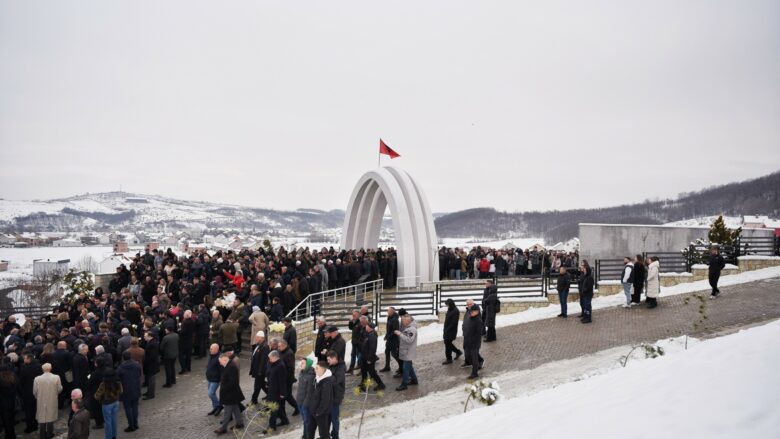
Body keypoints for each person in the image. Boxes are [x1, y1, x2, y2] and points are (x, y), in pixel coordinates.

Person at [214, 353, 245, 435]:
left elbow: (232, 382)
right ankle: (240, 423)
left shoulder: (231, 367)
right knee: (235, 408)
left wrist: (224, 389)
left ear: (224, 360)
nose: (220, 363)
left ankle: (223, 428)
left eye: (220, 362)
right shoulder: (229, 365)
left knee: (227, 412)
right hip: (232, 393)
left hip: (230, 394)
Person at [33, 363, 62, 439]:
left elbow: (35, 391)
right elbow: (59, 389)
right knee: (50, 417)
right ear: (51, 368)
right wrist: (55, 394)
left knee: (42, 417)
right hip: (52, 399)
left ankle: (42, 435)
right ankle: (49, 434)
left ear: (42, 369)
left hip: (41, 400)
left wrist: (38, 397)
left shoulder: (37, 379)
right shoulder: (56, 377)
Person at [306, 362, 333, 439]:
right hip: (313, 410)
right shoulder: (317, 378)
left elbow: (325, 400)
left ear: (323, 369)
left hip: (320, 413)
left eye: (317, 368)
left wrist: (319, 412)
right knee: (310, 430)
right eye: (315, 368)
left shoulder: (326, 382)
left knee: (323, 434)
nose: (315, 370)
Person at [117, 350, 142, 432]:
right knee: (135, 407)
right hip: (135, 388)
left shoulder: (121, 368)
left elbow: (118, 379)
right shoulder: (136, 364)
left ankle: (131, 425)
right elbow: (139, 374)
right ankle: (135, 423)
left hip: (126, 390)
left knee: (128, 408)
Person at [265, 350, 290, 432]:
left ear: (275, 357)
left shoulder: (280, 366)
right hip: (271, 389)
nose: (269, 359)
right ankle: (285, 420)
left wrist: (282, 393)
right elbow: (270, 374)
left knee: (273, 408)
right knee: (277, 408)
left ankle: (272, 426)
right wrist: (268, 383)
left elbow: (282, 381)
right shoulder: (272, 363)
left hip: (277, 391)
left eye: (270, 358)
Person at [94, 369, 122, 439]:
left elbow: (97, 396)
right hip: (116, 402)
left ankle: (108, 437)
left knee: (108, 422)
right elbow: (121, 391)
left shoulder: (103, 384)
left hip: (107, 404)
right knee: (114, 420)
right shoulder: (117, 382)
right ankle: (114, 436)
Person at [20, 353, 43, 434]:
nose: (24, 360)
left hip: (27, 393)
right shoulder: (39, 366)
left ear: (29, 359)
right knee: (36, 409)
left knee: (28, 411)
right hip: (37, 392)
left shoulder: (24, 369)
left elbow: (21, 381)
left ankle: (29, 427)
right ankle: (35, 425)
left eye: (25, 358)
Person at [359, 322, 385, 391]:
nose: (365, 327)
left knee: (372, 373)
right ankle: (364, 385)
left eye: (367, 326)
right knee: (363, 371)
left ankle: (381, 384)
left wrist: (370, 359)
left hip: (369, 358)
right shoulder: (368, 334)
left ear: (369, 327)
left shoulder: (372, 335)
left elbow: (372, 348)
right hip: (364, 357)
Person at [395, 314, 418, 391]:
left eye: (403, 321)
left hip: (408, 352)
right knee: (409, 367)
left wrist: (400, 334)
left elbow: (409, 340)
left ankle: (404, 384)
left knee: (405, 368)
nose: (402, 323)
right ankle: (414, 380)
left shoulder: (412, 329)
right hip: (406, 351)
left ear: (407, 321)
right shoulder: (408, 328)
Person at [326, 350, 345, 439]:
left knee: (334, 418)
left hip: (336, 396)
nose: (328, 361)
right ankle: (327, 434)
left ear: (334, 358)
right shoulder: (331, 365)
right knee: (329, 417)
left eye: (329, 359)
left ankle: (335, 435)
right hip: (329, 395)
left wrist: (326, 374)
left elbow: (336, 380)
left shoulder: (341, 367)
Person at [277, 339, 299, 416]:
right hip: (281, 379)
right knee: (282, 397)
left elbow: (290, 368)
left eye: (279, 346)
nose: (278, 348)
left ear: (284, 345)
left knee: (288, 396)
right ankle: (282, 414)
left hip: (287, 380)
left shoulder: (289, 353)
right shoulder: (280, 351)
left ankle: (297, 408)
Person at [296, 358, 315, 439]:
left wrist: (305, 404)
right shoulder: (302, 373)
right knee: (304, 421)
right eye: (301, 363)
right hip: (300, 401)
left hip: (305, 404)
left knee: (308, 422)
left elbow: (309, 392)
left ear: (307, 364)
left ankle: (308, 436)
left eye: (303, 363)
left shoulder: (311, 376)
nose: (301, 365)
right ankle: (305, 435)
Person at [462, 305, 483, 379]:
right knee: (468, 356)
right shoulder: (471, 318)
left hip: (474, 343)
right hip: (468, 341)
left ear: (477, 312)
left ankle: (475, 373)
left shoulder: (478, 321)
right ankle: (478, 363)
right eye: (471, 311)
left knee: (474, 359)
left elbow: (479, 333)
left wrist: (472, 339)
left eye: (472, 311)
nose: (471, 312)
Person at [249, 332, 269, 405]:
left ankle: (254, 400)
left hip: (260, 371)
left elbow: (263, 361)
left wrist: (260, 371)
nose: (256, 338)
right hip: (257, 369)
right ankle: (270, 395)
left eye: (258, 337)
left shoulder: (265, 347)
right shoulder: (258, 345)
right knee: (262, 384)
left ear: (262, 338)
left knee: (257, 386)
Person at [380, 307, 402, 375]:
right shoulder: (389, 318)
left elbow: (395, 331)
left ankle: (401, 368)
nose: (387, 312)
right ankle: (387, 366)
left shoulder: (395, 320)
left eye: (389, 311)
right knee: (387, 352)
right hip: (389, 339)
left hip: (394, 340)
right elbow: (389, 329)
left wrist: (388, 337)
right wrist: (386, 336)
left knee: (394, 354)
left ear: (393, 312)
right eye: (387, 311)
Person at [0, 360, 18, 439]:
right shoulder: (12, 376)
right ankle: (12, 435)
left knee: (6, 422)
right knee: (11, 420)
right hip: (12, 402)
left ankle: (9, 436)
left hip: (3, 404)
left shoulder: (1, 379)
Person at [442, 299, 462, 364]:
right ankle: (458, 352)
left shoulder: (455, 311)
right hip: (447, 330)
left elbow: (454, 322)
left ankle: (449, 359)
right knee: (448, 343)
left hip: (451, 330)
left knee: (447, 344)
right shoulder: (450, 309)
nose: (447, 306)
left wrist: (447, 329)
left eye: (447, 305)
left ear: (451, 304)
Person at [206, 343, 223, 416]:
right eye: (210, 348)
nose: (210, 350)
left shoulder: (219, 358)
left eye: (211, 349)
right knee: (211, 394)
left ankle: (219, 406)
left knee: (211, 393)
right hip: (210, 378)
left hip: (216, 379)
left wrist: (221, 379)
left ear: (216, 349)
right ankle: (215, 407)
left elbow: (221, 370)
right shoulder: (211, 356)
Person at [142, 331, 159, 400]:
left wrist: (146, 361)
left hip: (151, 365)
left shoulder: (152, 344)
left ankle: (151, 394)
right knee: (150, 379)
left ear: (150, 336)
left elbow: (151, 356)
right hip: (151, 365)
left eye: (145, 336)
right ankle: (149, 391)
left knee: (151, 380)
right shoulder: (151, 343)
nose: (144, 337)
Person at [178, 309, 195, 374]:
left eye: (184, 314)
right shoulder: (192, 321)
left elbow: (182, 332)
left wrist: (179, 330)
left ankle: (183, 368)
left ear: (187, 315)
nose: (183, 315)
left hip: (183, 341)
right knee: (188, 355)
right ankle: (188, 367)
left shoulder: (185, 322)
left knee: (181, 355)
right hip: (190, 340)